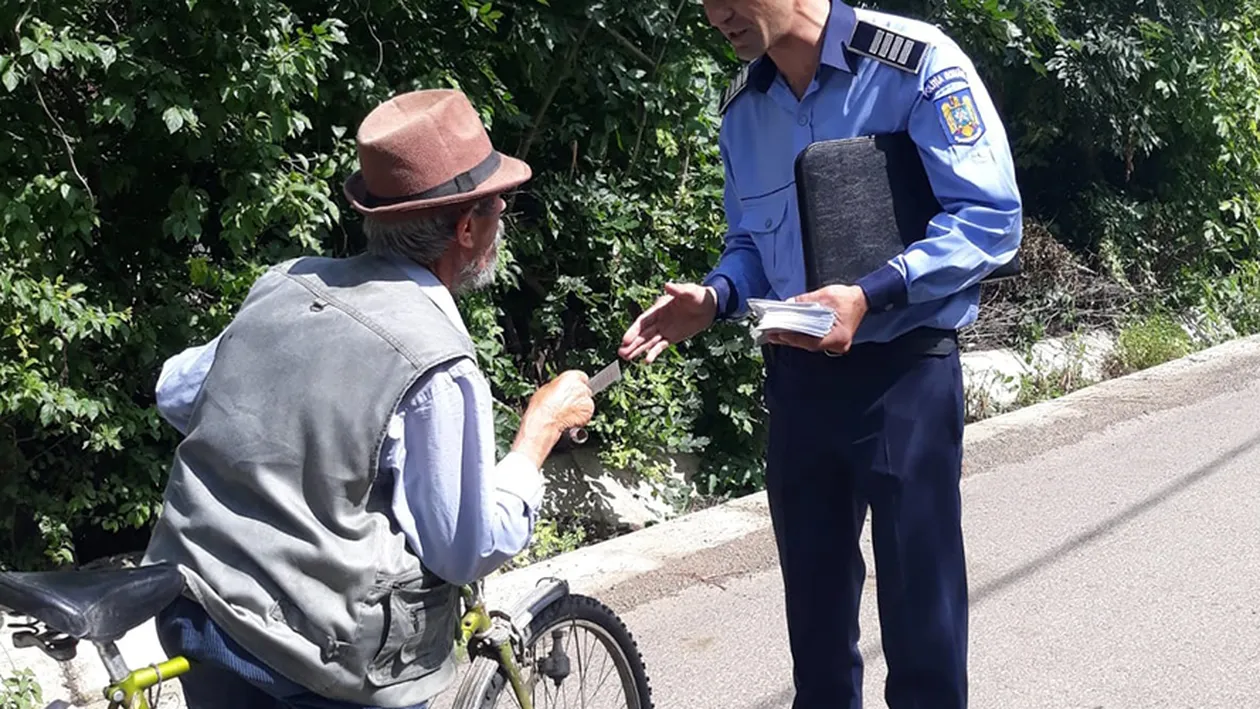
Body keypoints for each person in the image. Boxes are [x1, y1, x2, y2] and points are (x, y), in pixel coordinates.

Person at [620, 1, 1021, 708]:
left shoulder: (915, 65)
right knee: (815, 627)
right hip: (799, 384)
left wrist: (871, 294)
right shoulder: (745, 111)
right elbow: (749, 241)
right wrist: (714, 297)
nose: (715, 16)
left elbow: (990, 218)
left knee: (922, 626)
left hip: (903, 374)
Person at [142, 89, 595, 709]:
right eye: (500, 208)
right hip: (309, 657)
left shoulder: (288, 281)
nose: (501, 224)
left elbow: (176, 390)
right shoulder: (435, 358)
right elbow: (460, 549)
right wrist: (536, 435)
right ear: (468, 227)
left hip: (196, 602)